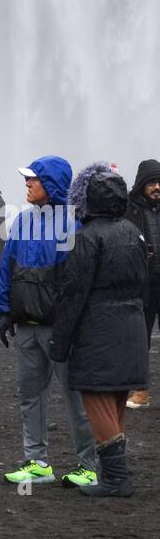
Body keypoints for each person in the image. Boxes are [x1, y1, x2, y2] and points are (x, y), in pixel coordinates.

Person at [0, 155, 96, 488]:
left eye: (33, 179)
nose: (27, 184)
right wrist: (3, 310)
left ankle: (88, 466)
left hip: (59, 328)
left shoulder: (72, 223)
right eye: (26, 179)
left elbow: (75, 279)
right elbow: (7, 265)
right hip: (26, 326)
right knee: (30, 394)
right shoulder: (22, 221)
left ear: (50, 184)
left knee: (75, 395)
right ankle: (37, 462)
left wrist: (72, 323)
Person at [50, 163, 148, 497]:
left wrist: (59, 344)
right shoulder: (134, 233)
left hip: (98, 330)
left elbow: (74, 295)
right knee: (117, 399)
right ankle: (113, 476)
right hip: (132, 325)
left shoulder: (87, 238)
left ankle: (116, 479)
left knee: (95, 398)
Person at [124, 158, 160, 410]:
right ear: (141, 185)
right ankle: (140, 392)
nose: (157, 187)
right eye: (152, 182)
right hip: (142, 285)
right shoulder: (128, 209)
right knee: (139, 340)